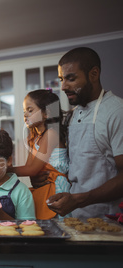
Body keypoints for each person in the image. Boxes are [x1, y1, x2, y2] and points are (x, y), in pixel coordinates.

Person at [47, 47, 123, 218]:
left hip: (107, 219)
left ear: (94, 74)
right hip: (76, 215)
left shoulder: (116, 111)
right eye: (61, 79)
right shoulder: (74, 114)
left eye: (71, 78)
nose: (63, 86)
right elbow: (79, 166)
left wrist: (80, 199)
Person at [8, 89, 70, 220]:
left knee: (59, 224)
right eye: (24, 110)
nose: (25, 114)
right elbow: (29, 168)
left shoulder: (51, 134)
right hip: (45, 185)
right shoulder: (34, 138)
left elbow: (33, 169)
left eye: (30, 110)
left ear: (46, 113)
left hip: (57, 187)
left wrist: (5, 169)